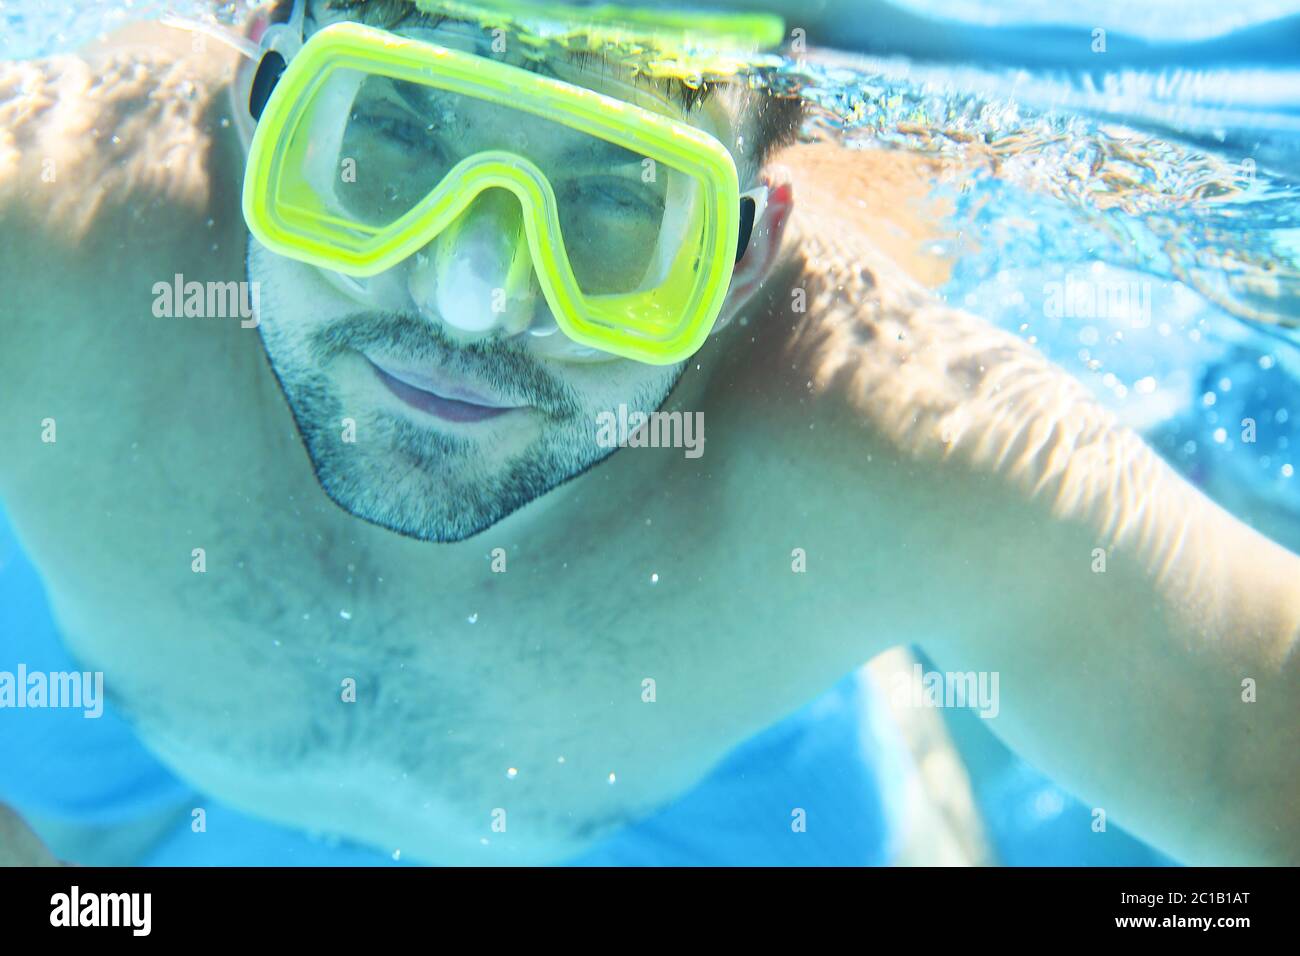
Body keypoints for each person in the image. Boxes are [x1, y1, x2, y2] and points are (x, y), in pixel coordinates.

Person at [0, 0, 1295, 866]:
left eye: (612, 207)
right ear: (261, 94)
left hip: (698, 810)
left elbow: (1256, 755)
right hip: (113, 758)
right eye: (388, 138)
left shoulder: (892, 446)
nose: (471, 301)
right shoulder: (40, 231)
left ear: (743, 260)